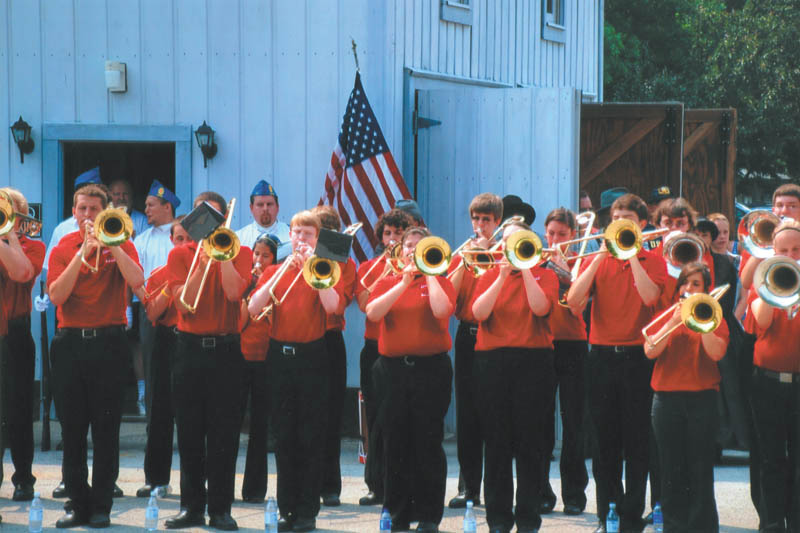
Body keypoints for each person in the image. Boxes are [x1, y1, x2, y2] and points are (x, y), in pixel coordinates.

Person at [567, 193, 666, 533]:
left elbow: (650, 297)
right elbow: (574, 301)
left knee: (638, 441)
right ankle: (607, 513)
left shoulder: (653, 259)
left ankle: (631, 515)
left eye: (627, 218)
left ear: (641, 224)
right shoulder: (599, 259)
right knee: (604, 440)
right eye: (615, 218)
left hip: (638, 358)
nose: (619, 222)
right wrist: (597, 259)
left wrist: (632, 255)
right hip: (602, 358)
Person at [47, 184, 144, 528]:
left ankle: (102, 503)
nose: (88, 216)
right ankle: (77, 502)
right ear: (74, 212)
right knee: (72, 430)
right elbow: (57, 295)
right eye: (82, 209)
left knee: (106, 429)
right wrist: (81, 252)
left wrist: (113, 247)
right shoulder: (61, 248)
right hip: (70, 343)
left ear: (105, 213)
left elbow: (138, 283)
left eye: (94, 210)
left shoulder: (122, 241)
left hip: (109, 342)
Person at [247, 210, 342, 533]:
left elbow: (332, 307)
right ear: (290, 236)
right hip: (279, 357)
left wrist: (313, 269)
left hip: (312, 357)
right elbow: (253, 307)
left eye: (308, 235)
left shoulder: (324, 269)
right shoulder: (275, 269)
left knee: (309, 436)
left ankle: (307, 511)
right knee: (284, 437)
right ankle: (287, 509)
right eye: (298, 233)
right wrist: (281, 271)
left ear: (317, 239)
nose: (302, 240)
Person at [163, 192, 252, 531]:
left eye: (218, 218)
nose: (212, 224)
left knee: (224, 435)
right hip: (188, 348)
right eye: (206, 218)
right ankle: (191, 508)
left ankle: (220, 509)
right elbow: (184, 304)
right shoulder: (179, 255)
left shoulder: (238, 251)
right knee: (188, 432)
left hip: (227, 350)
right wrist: (202, 261)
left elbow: (233, 294)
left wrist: (222, 254)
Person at [470, 219, 558, 533]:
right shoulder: (489, 274)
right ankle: (498, 519)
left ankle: (528, 518)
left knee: (530, 442)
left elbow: (539, 308)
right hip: (493, 361)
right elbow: (478, 313)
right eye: (508, 242)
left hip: (533, 360)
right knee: (496, 443)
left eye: (520, 242)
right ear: (501, 246)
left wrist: (526, 271)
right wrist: (503, 274)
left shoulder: (545, 276)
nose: (513, 247)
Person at [366, 226, 455, 533]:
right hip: (392, 371)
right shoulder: (387, 281)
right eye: (409, 246)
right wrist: (403, 282)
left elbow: (442, 310)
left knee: (428, 442)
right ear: (399, 251)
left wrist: (428, 274)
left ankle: (430, 516)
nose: (413, 251)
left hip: (431, 369)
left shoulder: (441, 281)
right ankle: (397, 513)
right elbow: (373, 313)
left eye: (420, 247)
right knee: (395, 442)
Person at [645, 262, 729, 532]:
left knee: (700, 469)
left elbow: (717, 353)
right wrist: (673, 320)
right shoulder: (667, 314)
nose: (689, 289)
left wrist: (703, 321)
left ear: (706, 289)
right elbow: (650, 350)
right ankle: (674, 527)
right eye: (685, 283)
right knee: (670, 470)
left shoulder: (714, 316)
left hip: (702, 399)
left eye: (696, 285)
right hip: (667, 400)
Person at [446, 192, 503, 509]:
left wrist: (490, 257)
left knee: (493, 415)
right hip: (468, 335)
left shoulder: (506, 253)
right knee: (467, 416)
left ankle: (495, 489)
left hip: (495, 335)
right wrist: (465, 262)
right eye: (476, 219)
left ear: (497, 222)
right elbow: (448, 299)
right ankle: (469, 487)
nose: (479, 225)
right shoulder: (462, 255)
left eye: (486, 220)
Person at [355, 208, 413, 506]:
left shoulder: (414, 268)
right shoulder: (368, 266)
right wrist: (385, 269)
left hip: (403, 348)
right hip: (374, 346)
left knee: (402, 419)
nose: (392, 239)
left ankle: (402, 485)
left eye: (399, 234)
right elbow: (365, 304)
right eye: (388, 234)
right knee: (376, 417)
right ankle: (376, 484)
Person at [748, 220, 800, 533]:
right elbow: (760, 321)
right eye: (783, 250)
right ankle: (771, 523)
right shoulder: (764, 280)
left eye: (796, 250)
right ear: (773, 251)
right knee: (769, 458)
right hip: (766, 382)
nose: (790, 255)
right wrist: (775, 286)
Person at [539, 208, 589, 517]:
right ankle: (542, 491)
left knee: (574, 423)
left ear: (573, 236)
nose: (556, 239)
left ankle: (574, 494)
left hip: (573, 344)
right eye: (552, 234)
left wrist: (563, 272)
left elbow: (577, 308)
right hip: (542, 345)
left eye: (562, 234)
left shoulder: (582, 261)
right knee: (541, 422)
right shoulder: (533, 258)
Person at [134, 216, 188, 500]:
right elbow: (152, 312)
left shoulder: (204, 270)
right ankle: (155, 478)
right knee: (159, 412)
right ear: (171, 241)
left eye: (189, 240)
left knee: (194, 415)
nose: (183, 244)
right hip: (166, 340)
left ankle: (197, 482)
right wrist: (171, 282)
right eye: (179, 239)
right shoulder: (160, 272)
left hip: (193, 342)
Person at [310, 206, 357, 508]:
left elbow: (340, 305)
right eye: (319, 228)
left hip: (328, 339)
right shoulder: (299, 258)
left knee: (330, 416)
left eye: (329, 228)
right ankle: (304, 483)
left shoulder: (346, 264)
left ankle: (329, 486)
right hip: (303, 338)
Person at [0, 188, 43, 503]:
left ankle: (23, 478)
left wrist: (8, 235)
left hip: (15, 333)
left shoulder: (34, 245)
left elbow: (22, 273)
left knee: (19, 409)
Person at [133, 180, 181, 450]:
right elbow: (136, 280)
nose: (146, 210)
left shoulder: (181, 235)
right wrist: (149, 303)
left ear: (167, 206)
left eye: (151, 205)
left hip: (183, 311)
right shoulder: (142, 240)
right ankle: (156, 431)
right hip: (152, 312)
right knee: (154, 374)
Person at [238, 233, 278, 504]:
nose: (259, 260)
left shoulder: (277, 282)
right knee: (230, 424)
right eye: (256, 254)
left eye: (265, 256)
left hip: (266, 359)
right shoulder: (244, 282)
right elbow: (239, 320)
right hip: (239, 358)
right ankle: (220, 488)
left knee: (260, 428)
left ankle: (254, 491)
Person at [235, 180, 291, 260]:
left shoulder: (291, 234)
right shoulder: (239, 238)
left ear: (277, 207)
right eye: (260, 205)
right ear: (251, 208)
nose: (265, 208)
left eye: (269, 204)